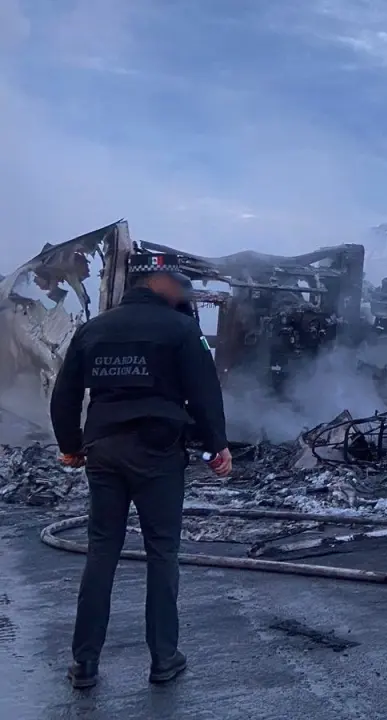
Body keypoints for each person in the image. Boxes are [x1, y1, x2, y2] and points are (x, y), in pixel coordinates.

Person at [49, 264, 233, 689]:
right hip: (158, 452)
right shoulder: (181, 331)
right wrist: (216, 446)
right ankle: (163, 659)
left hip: (104, 451)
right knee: (163, 553)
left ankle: (85, 664)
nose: (185, 298)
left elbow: (66, 393)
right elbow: (205, 392)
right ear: (161, 289)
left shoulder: (93, 329)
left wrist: (71, 444)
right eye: (181, 291)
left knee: (101, 552)